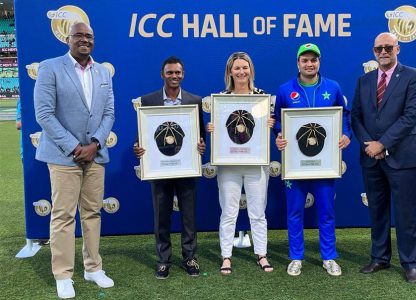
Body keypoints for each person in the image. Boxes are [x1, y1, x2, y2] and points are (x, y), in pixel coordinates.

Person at [34, 22, 115, 298]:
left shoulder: (103, 71)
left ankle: (93, 268)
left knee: (92, 213)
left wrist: (94, 145)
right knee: (63, 215)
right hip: (62, 157)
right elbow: (44, 114)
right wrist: (73, 147)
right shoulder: (50, 67)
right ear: (68, 39)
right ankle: (63, 274)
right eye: (79, 35)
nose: (84, 39)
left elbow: (109, 114)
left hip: (95, 155)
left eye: (89, 36)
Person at [351, 32, 416, 283]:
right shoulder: (364, 81)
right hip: (371, 157)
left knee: (405, 213)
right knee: (377, 211)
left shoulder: (414, 77)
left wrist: (382, 144)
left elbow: (410, 116)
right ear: (373, 51)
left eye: (387, 47)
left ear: (397, 48)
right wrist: (369, 146)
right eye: (378, 48)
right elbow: (356, 117)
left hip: (402, 156)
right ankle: (380, 257)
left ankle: (410, 263)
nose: (383, 52)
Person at [274, 43, 351, 277]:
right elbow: (278, 121)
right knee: (294, 212)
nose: (309, 64)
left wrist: (346, 134)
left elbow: (344, 116)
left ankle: (329, 257)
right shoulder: (285, 90)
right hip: (295, 164)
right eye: (305, 60)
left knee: (326, 212)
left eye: (313, 60)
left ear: (319, 62)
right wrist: (278, 136)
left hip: (324, 164)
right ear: (298, 63)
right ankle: (296, 257)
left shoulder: (333, 87)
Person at [133, 56, 206, 279]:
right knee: (161, 216)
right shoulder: (148, 101)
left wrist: (201, 145)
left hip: (186, 166)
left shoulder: (195, 100)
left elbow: (200, 134)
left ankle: (189, 256)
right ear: (162, 74)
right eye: (170, 72)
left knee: (189, 216)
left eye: (178, 73)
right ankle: (164, 259)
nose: (174, 76)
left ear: (183, 75)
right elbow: (143, 135)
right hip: (159, 168)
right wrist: (139, 148)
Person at [207, 52, 274, 275]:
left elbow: (264, 130)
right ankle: (226, 256)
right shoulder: (221, 99)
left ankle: (261, 254)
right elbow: (220, 134)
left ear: (251, 70)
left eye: (245, 67)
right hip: (229, 164)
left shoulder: (261, 96)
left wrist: (270, 123)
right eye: (237, 68)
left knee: (258, 212)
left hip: (256, 164)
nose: (241, 72)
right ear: (230, 72)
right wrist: (213, 131)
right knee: (228, 212)